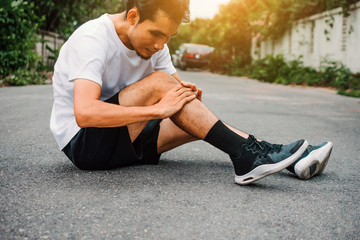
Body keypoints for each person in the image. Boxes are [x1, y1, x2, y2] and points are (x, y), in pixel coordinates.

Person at [50, 0, 333, 185]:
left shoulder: (158, 46)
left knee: (198, 122)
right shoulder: (92, 38)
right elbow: (85, 113)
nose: (161, 45)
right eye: (156, 34)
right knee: (162, 85)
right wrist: (157, 110)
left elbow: (181, 101)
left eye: (168, 37)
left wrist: (188, 97)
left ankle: (279, 157)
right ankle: (251, 157)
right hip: (85, 145)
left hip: (127, 140)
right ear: (133, 16)